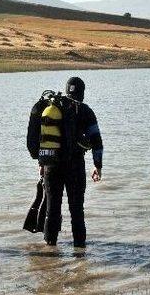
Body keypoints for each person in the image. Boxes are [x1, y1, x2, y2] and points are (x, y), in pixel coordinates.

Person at [26, 77, 103, 248]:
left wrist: (41, 162)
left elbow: (40, 139)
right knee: (76, 211)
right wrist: (98, 165)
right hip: (74, 166)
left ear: (66, 89)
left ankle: (49, 250)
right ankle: (80, 250)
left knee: (52, 209)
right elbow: (97, 141)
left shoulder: (51, 108)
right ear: (82, 92)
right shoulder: (84, 111)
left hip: (50, 166)